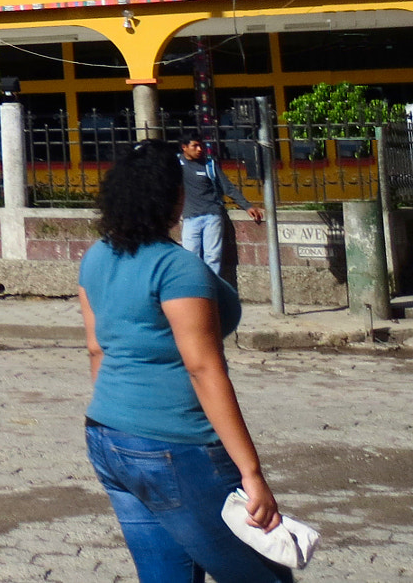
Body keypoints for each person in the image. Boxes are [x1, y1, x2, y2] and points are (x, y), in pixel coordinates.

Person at [79, 140, 291, 582]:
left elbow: (97, 349)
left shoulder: (96, 257)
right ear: (172, 196)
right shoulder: (177, 269)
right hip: (174, 445)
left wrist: (120, 417)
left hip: (107, 435)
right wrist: (251, 473)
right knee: (264, 577)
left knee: (166, 576)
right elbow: (203, 368)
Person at [179, 132, 262, 277]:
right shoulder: (177, 164)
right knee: (190, 257)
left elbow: (227, 187)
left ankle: (212, 291)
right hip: (190, 217)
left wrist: (247, 206)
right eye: (195, 146)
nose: (199, 149)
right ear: (184, 147)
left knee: (213, 257)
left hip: (212, 216)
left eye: (201, 145)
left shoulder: (209, 165)